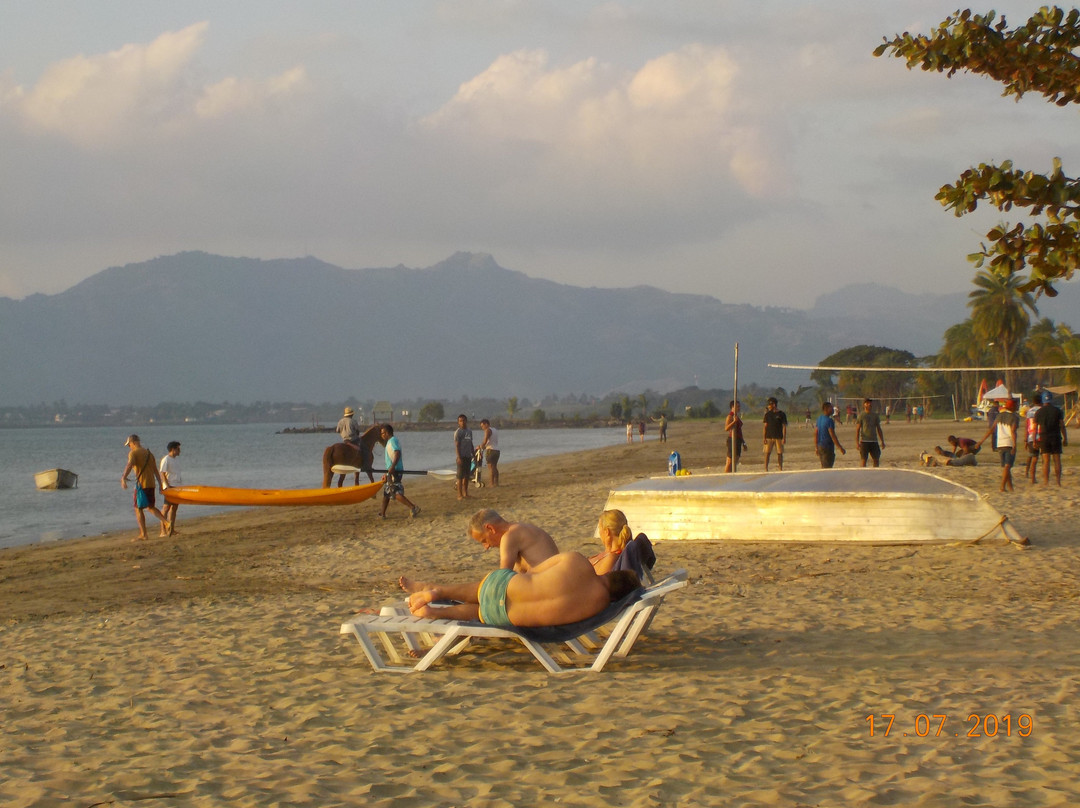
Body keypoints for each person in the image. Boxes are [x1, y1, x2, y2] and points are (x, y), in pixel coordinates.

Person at [404, 551, 641, 628]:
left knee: (478, 591)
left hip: (509, 585)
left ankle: (439, 593)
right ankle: (436, 613)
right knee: (477, 613)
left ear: (611, 573)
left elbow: (534, 572)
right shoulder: (598, 606)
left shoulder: (578, 560)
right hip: (507, 617)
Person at [400, 511, 557, 594]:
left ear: (490, 528)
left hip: (545, 593)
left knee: (483, 593)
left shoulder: (510, 536)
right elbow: (520, 574)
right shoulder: (522, 530)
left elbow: (502, 579)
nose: (486, 547)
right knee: (478, 594)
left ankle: (433, 589)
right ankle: (435, 591)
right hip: (548, 588)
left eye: (484, 540)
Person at [120, 434, 170, 541]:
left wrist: (123, 477)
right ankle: (165, 523)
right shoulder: (148, 453)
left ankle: (144, 534)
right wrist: (161, 485)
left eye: (129, 445)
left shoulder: (133, 453)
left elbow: (129, 465)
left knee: (138, 508)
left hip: (142, 485)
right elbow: (155, 470)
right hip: (151, 483)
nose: (129, 447)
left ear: (133, 443)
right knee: (150, 506)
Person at [378, 424, 420, 518]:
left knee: (395, 492)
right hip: (392, 470)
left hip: (395, 471)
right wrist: (387, 472)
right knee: (387, 492)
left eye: (383, 433)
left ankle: (413, 507)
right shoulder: (389, 442)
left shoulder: (392, 441)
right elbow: (390, 458)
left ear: (387, 432)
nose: (382, 435)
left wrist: (392, 467)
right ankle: (382, 513)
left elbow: (397, 453)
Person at [977, 398, 1018, 491]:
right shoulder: (1014, 417)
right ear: (1013, 407)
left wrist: (981, 441)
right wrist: (1015, 445)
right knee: (1008, 466)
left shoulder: (1000, 416)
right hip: (1009, 443)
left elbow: (991, 430)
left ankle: (1010, 487)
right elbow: (1013, 431)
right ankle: (1002, 486)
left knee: (1006, 467)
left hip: (999, 443)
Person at [1035, 391, 1068, 486]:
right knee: (1057, 460)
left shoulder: (1039, 412)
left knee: (1046, 461)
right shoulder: (1058, 411)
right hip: (1056, 436)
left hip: (1044, 436)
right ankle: (1058, 481)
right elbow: (1062, 425)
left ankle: (1046, 481)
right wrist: (1065, 438)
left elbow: (1035, 428)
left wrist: (1034, 440)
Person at [590, 509, 633, 574]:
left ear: (607, 532)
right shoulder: (612, 554)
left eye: (599, 528)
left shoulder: (611, 558)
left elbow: (597, 582)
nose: (599, 532)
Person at [159, 440, 182, 536]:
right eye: (178, 449)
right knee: (166, 508)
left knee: (174, 508)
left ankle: (171, 529)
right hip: (169, 486)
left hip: (177, 486)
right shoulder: (166, 459)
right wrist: (167, 486)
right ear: (173, 449)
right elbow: (162, 473)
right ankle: (163, 530)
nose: (179, 451)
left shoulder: (175, 460)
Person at [855, 398, 886, 468]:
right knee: (863, 460)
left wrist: (882, 441)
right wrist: (857, 442)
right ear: (864, 405)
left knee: (876, 459)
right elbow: (857, 429)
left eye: (870, 403)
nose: (869, 404)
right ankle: (863, 474)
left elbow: (878, 428)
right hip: (864, 441)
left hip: (874, 441)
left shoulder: (875, 415)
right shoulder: (861, 415)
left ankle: (875, 473)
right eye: (867, 403)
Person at [815, 402, 846, 468]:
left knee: (823, 466)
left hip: (820, 445)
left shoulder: (819, 419)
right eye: (831, 408)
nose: (832, 409)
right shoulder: (829, 421)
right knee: (827, 467)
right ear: (826, 409)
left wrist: (816, 446)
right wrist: (840, 447)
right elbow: (832, 435)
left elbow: (816, 433)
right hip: (827, 447)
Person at [762, 397, 788, 471]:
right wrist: (764, 438)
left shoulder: (781, 414)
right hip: (769, 437)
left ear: (774, 404)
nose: (768, 406)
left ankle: (780, 467)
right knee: (767, 453)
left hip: (778, 437)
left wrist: (784, 437)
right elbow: (765, 427)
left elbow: (784, 426)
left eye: (769, 405)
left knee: (779, 453)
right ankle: (766, 468)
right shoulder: (767, 414)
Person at [453, 414, 474, 500]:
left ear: (466, 421)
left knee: (466, 476)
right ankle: (459, 495)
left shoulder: (469, 431)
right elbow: (457, 446)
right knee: (460, 477)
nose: (462, 422)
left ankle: (465, 493)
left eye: (464, 420)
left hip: (468, 456)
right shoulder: (458, 432)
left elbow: (471, 443)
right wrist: (459, 457)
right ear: (458, 422)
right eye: (460, 421)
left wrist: (473, 454)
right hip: (461, 456)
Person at [1025, 392, 1042, 483]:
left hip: (1031, 436)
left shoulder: (1029, 411)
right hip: (1041, 435)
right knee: (1039, 458)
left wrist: (1025, 438)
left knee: (1031, 456)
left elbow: (1026, 425)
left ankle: (1027, 473)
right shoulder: (1042, 410)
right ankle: (1034, 478)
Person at [478, 418, 500, 487]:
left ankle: (492, 483)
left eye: (482, 426)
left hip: (491, 450)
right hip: (496, 450)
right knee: (494, 467)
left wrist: (480, 447)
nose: (482, 428)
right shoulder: (494, 430)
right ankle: (496, 482)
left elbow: (485, 441)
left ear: (486, 424)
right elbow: (491, 441)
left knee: (490, 467)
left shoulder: (488, 430)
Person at [724, 400, 743, 473]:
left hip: (738, 440)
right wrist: (734, 422)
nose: (739, 408)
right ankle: (726, 476)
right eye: (737, 406)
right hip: (732, 439)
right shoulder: (730, 416)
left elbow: (739, 430)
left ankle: (733, 474)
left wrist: (743, 442)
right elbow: (726, 428)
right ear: (732, 407)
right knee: (729, 461)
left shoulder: (736, 416)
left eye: (739, 406)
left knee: (735, 460)